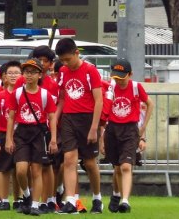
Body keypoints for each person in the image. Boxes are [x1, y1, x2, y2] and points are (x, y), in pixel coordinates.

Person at [54, 37, 103, 215]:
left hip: (88, 119)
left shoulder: (91, 71)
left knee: (89, 163)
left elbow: (99, 100)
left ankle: (97, 198)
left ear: (77, 53)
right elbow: (62, 98)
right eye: (62, 61)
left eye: (68, 59)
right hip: (68, 118)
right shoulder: (64, 72)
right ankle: (71, 201)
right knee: (69, 160)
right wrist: (54, 119)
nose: (66, 63)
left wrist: (94, 128)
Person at [5, 58, 58, 216]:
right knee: (21, 170)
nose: (29, 75)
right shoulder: (18, 93)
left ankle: (35, 204)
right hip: (21, 133)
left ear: (40, 75)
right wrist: (9, 138)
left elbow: (52, 117)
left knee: (37, 170)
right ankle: (27, 195)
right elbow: (11, 117)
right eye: (26, 72)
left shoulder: (44, 95)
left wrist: (53, 139)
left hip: (38, 133)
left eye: (32, 72)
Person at [101, 59, 153, 213]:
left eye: (122, 77)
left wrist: (142, 129)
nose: (119, 81)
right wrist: (102, 138)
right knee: (117, 168)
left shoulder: (136, 87)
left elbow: (150, 104)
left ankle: (125, 200)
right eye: (116, 77)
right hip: (112, 129)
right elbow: (104, 112)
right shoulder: (110, 88)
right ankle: (116, 194)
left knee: (126, 166)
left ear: (130, 75)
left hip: (130, 130)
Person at [0, 60, 21, 211]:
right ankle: (3, 199)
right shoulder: (0, 95)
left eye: (17, 73)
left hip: (21, 134)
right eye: (10, 73)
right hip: (3, 134)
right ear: (4, 76)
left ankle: (18, 199)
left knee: (19, 168)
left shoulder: (23, 94)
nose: (14, 76)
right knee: (3, 168)